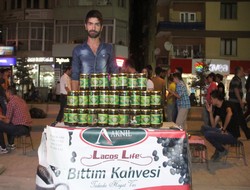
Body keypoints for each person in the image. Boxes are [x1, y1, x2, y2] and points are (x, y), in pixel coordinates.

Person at [71, 10, 118, 91]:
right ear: (85, 26)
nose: (93, 28)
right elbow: (75, 77)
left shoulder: (108, 48)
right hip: (84, 98)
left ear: (101, 27)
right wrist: (75, 101)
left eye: (97, 24)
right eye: (90, 24)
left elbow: (115, 74)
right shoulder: (78, 50)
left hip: (104, 98)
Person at [204, 90, 240, 162]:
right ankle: (221, 148)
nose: (210, 100)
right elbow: (213, 125)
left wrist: (223, 129)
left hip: (232, 135)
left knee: (208, 134)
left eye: (211, 98)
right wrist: (210, 112)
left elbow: (229, 114)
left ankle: (221, 150)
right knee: (204, 128)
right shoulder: (218, 108)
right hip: (224, 131)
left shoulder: (227, 104)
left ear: (216, 99)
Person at [0, 86, 32, 154]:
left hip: (20, 128)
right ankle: (11, 144)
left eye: (5, 92)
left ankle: (2, 148)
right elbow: (10, 117)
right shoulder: (21, 100)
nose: (5, 94)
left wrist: (1, 119)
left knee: (2, 124)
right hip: (27, 127)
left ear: (8, 93)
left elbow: (7, 121)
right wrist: (2, 117)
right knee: (10, 123)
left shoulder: (11, 102)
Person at [228, 66, 250, 139]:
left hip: (235, 102)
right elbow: (236, 90)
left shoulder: (237, 79)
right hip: (235, 103)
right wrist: (240, 101)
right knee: (238, 119)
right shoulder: (236, 79)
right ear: (239, 71)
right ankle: (236, 135)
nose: (243, 72)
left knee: (239, 119)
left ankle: (242, 134)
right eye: (242, 70)